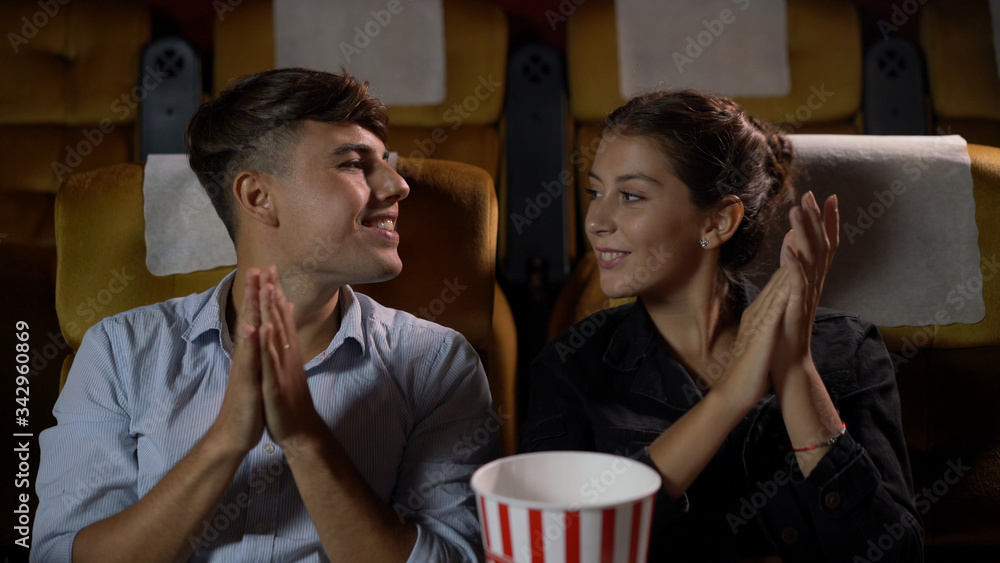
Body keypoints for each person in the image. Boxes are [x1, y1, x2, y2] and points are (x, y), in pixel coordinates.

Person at [33, 69, 496, 562]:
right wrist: (225, 443)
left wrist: (305, 438)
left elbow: (454, 558)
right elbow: (61, 556)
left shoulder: (436, 362)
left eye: (385, 162)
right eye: (354, 164)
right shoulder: (120, 351)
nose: (399, 185)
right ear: (258, 197)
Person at [520, 91, 922, 561]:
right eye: (595, 193)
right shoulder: (570, 365)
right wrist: (729, 398)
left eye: (630, 196)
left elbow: (896, 555)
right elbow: (555, 548)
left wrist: (794, 372)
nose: (595, 221)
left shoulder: (847, 350)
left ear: (718, 220)